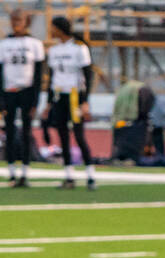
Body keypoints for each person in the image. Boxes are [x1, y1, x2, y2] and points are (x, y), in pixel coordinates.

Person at [44, 16, 96, 190]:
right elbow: (52, 78)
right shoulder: (54, 51)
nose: (50, 31)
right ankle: (69, 176)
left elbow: (88, 75)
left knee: (79, 135)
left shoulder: (79, 48)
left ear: (60, 28)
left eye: (53, 27)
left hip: (75, 96)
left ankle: (90, 175)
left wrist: (85, 101)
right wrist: (49, 102)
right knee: (63, 136)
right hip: (60, 96)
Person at [0, 9, 45, 187]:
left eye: (19, 19)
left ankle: (25, 173)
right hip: (9, 91)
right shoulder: (4, 44)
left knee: (27, 132)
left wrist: (35, 100)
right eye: (13, 19)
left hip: (27, 91)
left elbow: (39, 74)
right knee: (9, 132)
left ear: (26, 21)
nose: (15, 22)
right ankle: (11, 172)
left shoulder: (34, 44)